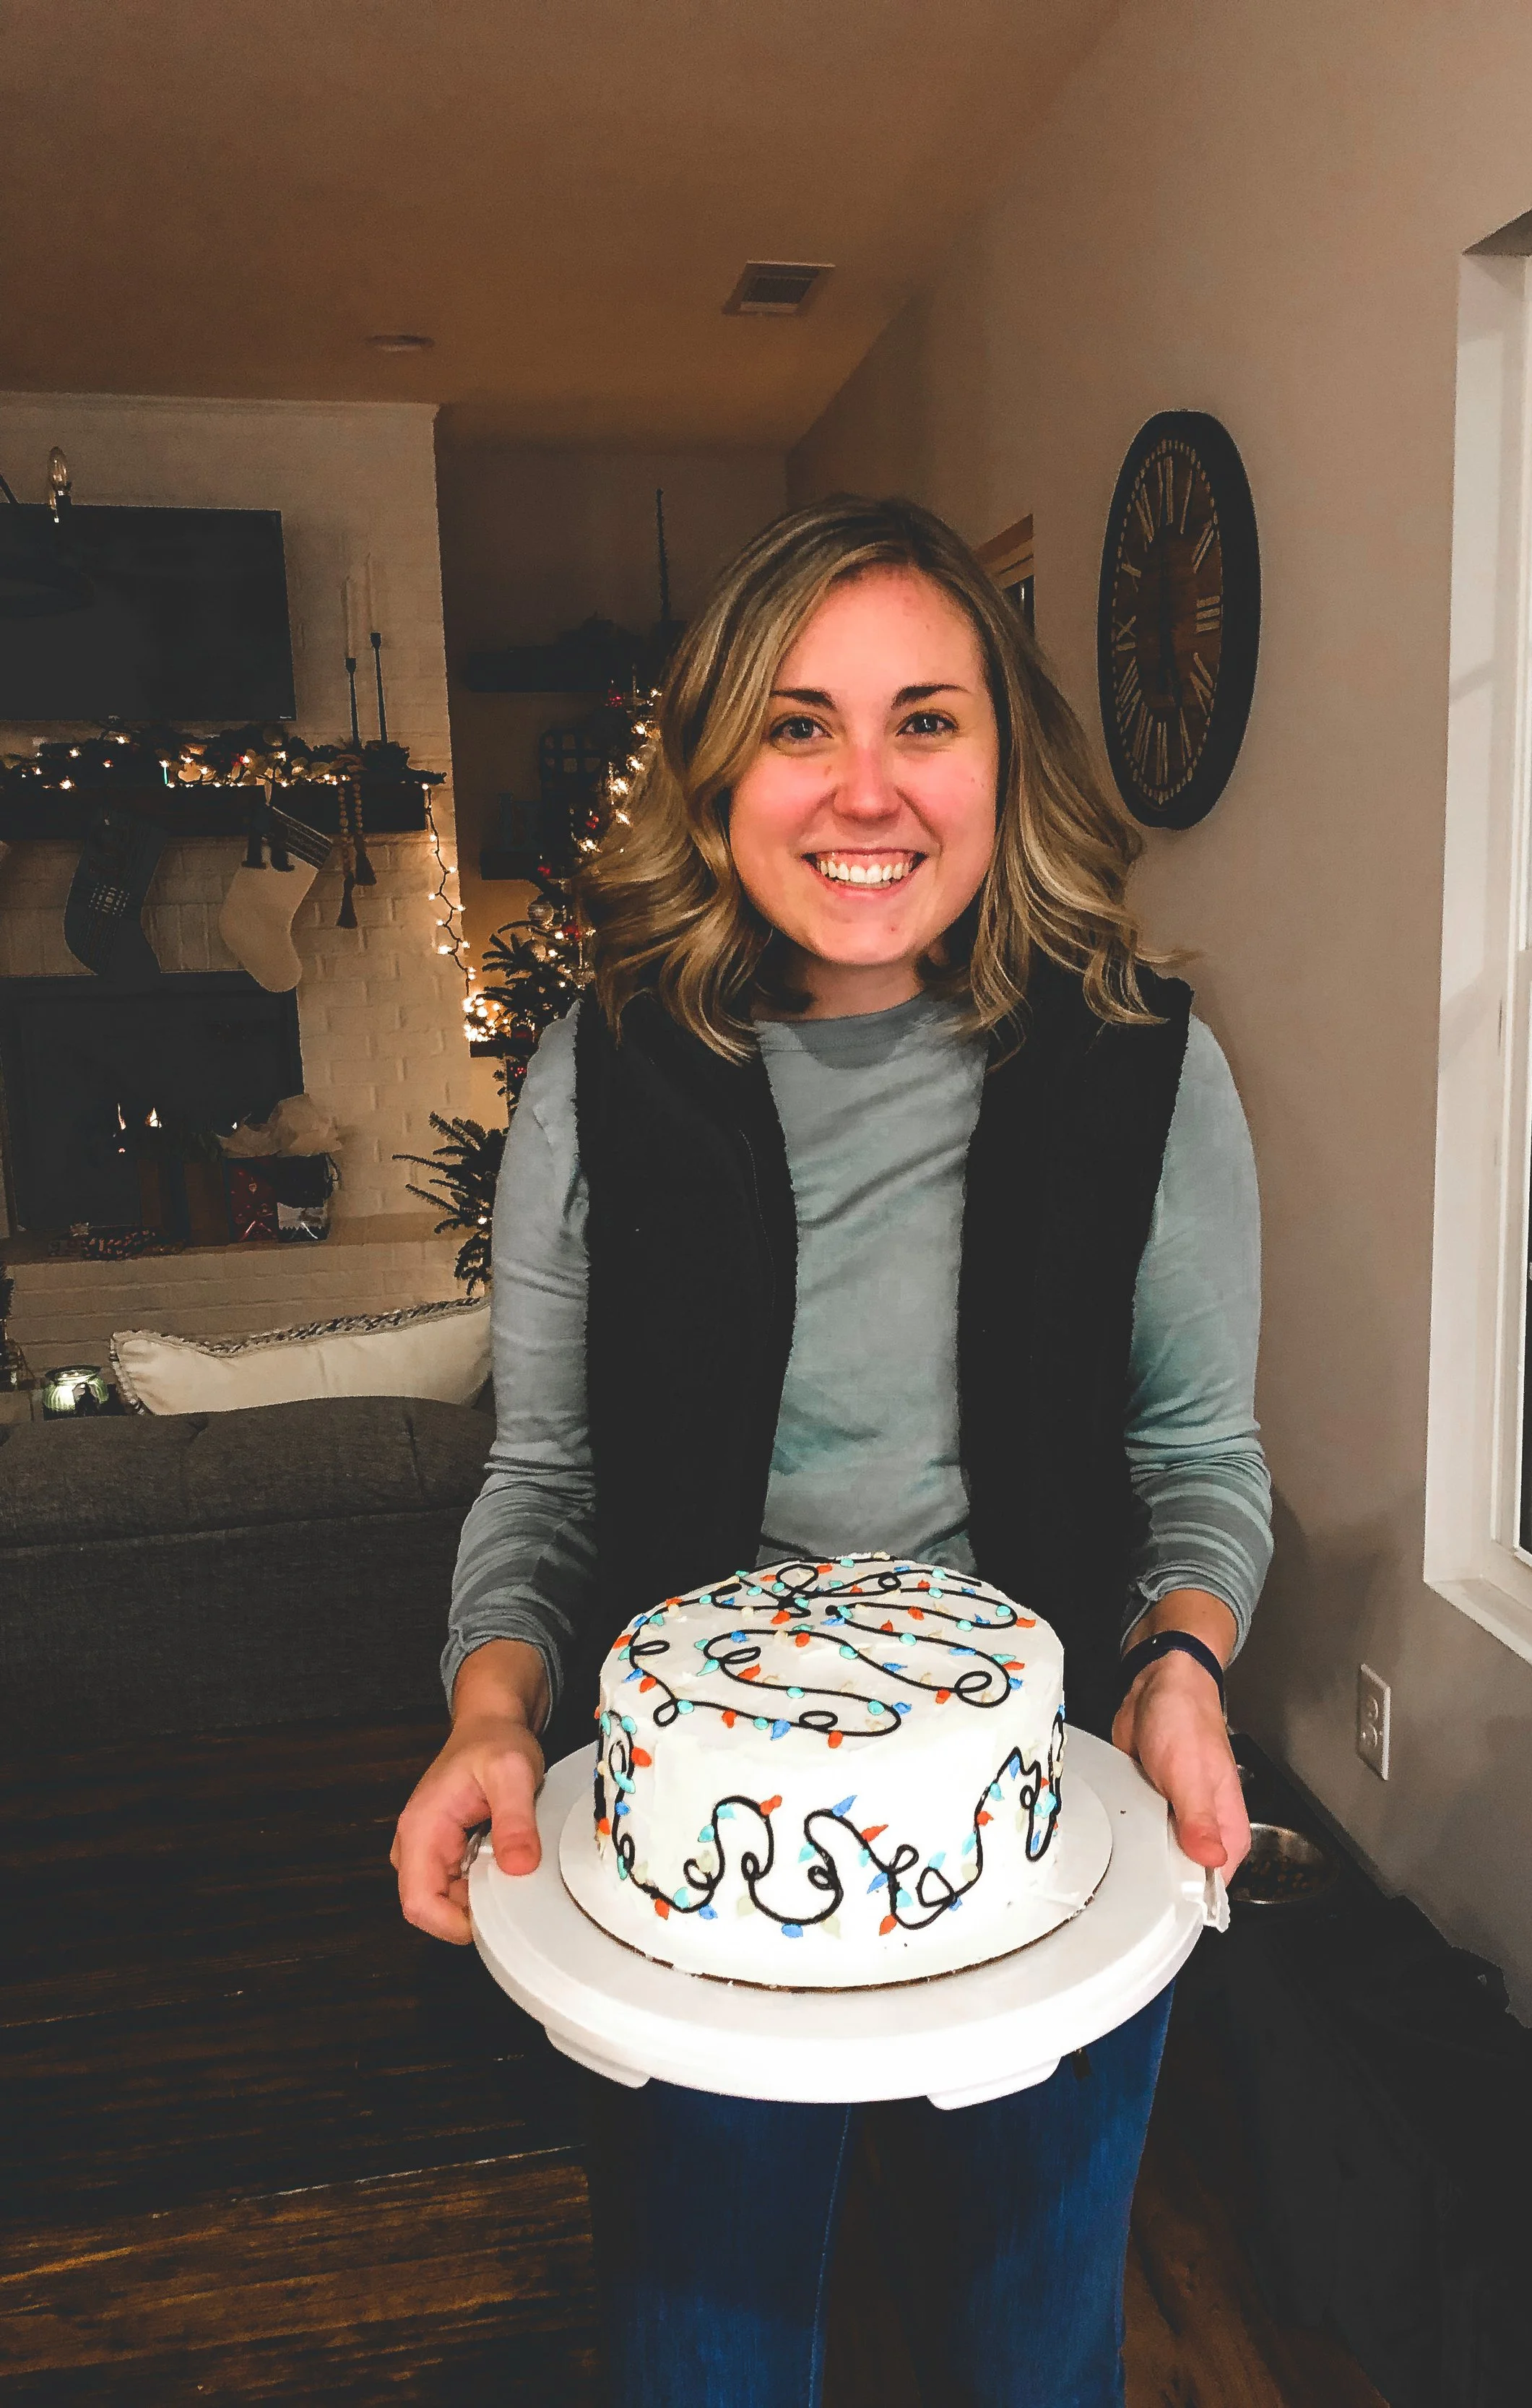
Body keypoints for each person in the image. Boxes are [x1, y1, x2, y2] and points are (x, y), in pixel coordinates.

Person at [392, 493, 1271, 2407]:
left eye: (922, 718)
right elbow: (540, 1478)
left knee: (1032, 2351)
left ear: (1001, 754)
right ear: (718, 777)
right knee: (701, 2355)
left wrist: (1179, 1664)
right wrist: (486, 1712)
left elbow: (1202, 1453)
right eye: (798, 723)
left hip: (1043, 1818)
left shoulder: (1142, 1065)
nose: (860, 786)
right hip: (702, 1861)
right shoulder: (598, 1073)